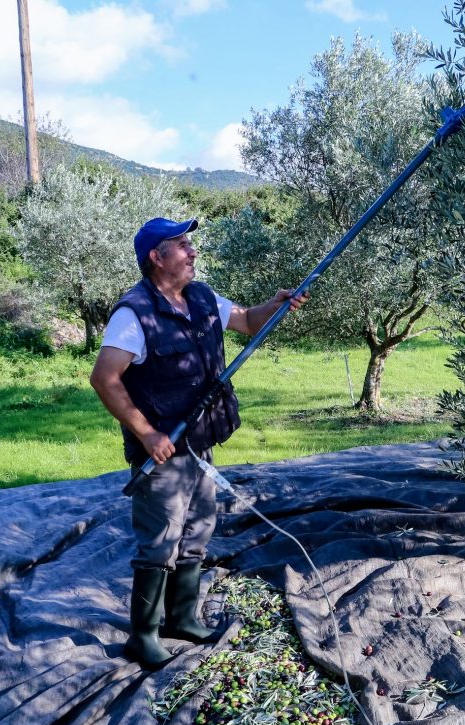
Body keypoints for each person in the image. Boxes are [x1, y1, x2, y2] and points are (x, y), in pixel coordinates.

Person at [90, 217, 307, 669]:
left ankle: (182, 618)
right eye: (182, 245)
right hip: (163, 450)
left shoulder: (201, 296)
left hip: (200, 441)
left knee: (198, 529)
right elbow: (105, 378)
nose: (192, 252)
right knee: (160, 539)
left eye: (191, 244)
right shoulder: (135, 314)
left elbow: (246, 321)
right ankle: (143, 635)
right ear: (156, 256)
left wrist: (277, 304)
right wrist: (146, 433)